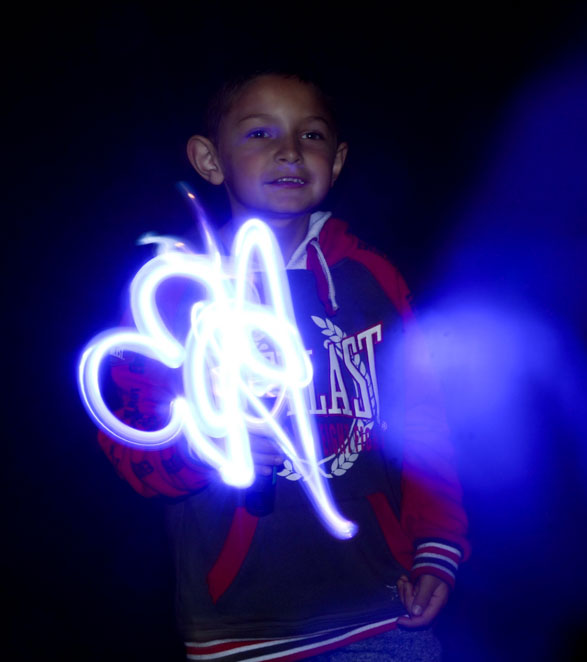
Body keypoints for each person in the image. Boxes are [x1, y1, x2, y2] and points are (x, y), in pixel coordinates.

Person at [96, 72, 468, 661]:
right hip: (245, 626)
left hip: (380, 610)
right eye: (260, 132)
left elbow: (424, 424)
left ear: (337, 160)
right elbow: (129, 439)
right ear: (209, 159)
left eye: (311, 134)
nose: (290, 150)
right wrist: (205, 446)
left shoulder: (371, 280)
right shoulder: (171, 292)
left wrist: (437, 546)